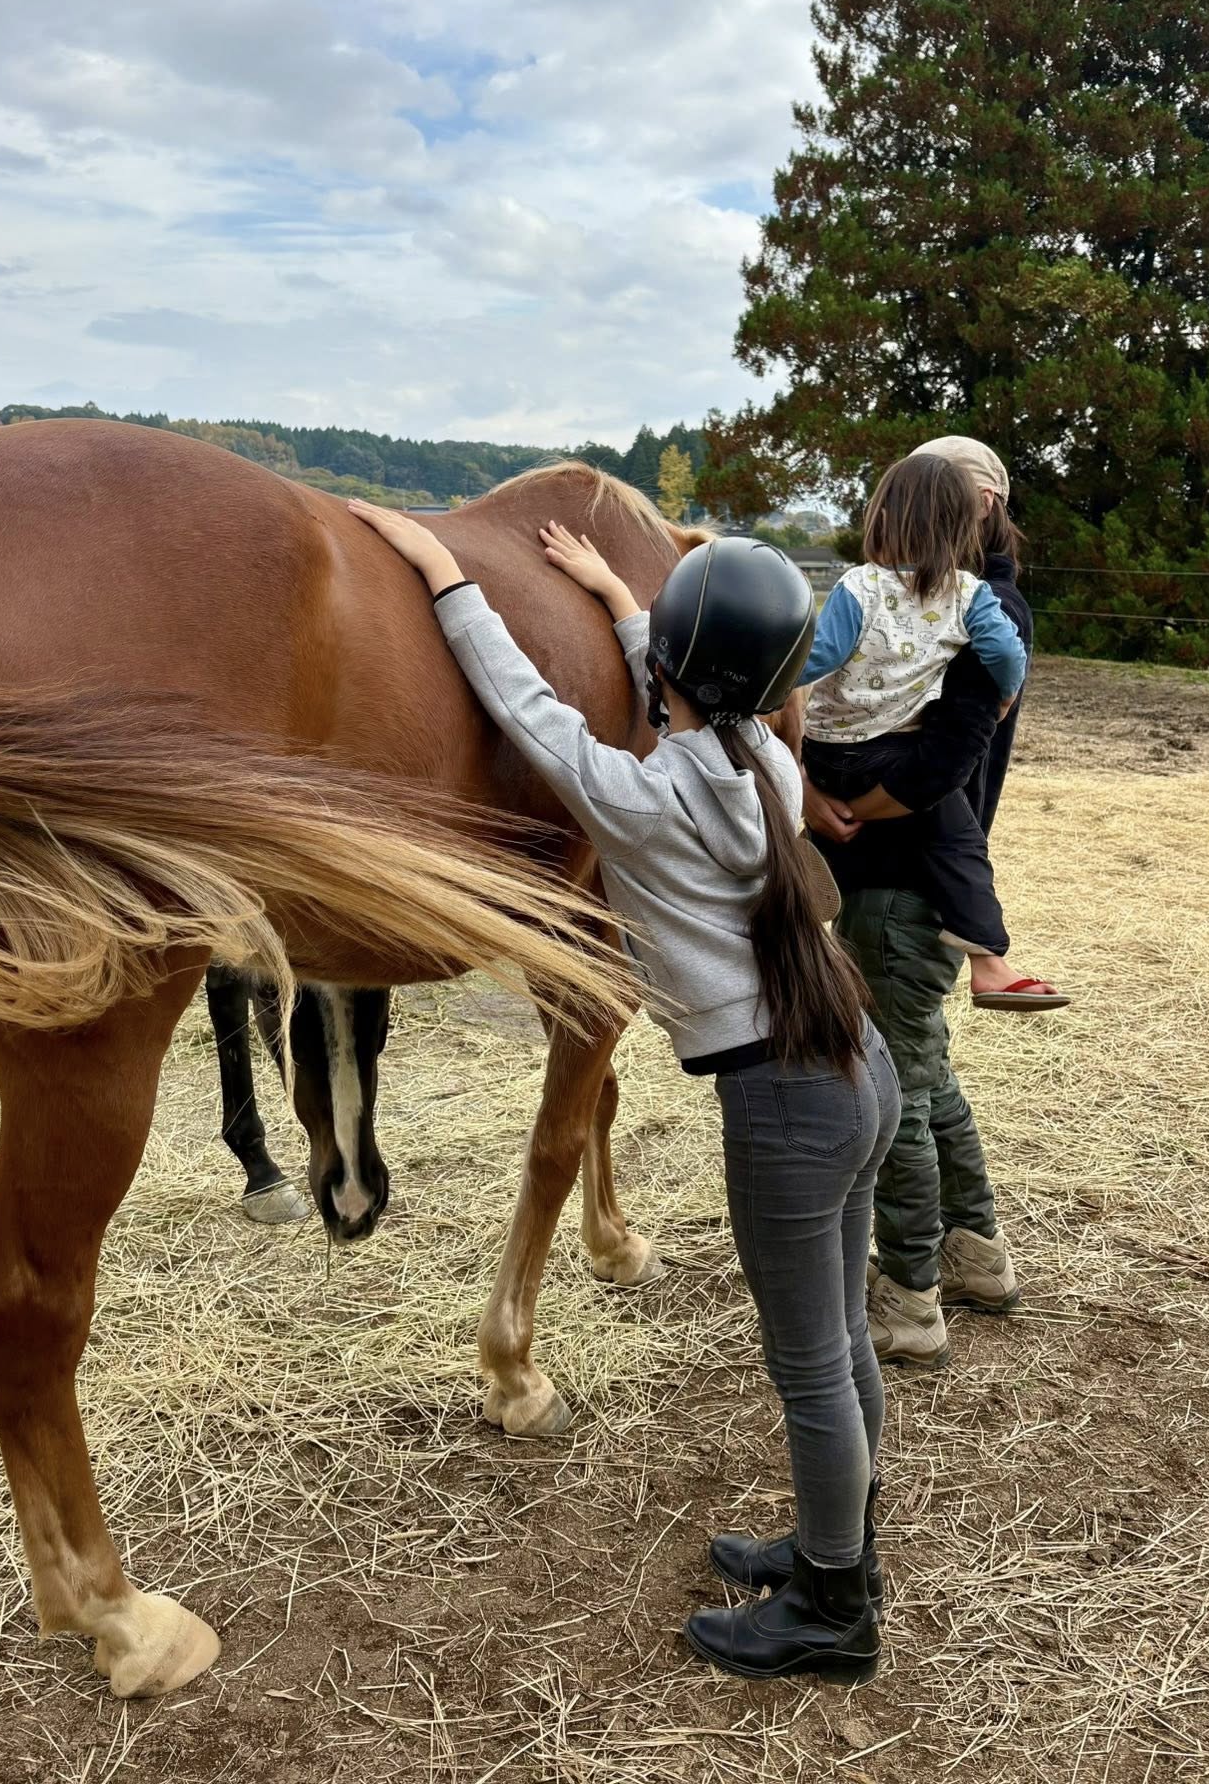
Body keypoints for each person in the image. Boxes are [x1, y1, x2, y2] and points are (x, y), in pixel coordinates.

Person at [347, 497, 900, 1685]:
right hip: (860, 1065)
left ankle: (835, 1608)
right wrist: (615, 591)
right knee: (841, 1338)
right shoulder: (768, 759)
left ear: (672, 675)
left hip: (785, 1104)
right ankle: (839, 1543)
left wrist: (446, 574)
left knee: (809, 1361)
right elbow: (694, 680)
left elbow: (527, 708)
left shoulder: (642, 798)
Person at [805, 435, 1036, 1369]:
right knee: (928, 1076)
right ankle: (975, 1255)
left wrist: (831, 803)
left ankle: (909, 1296)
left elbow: (943, 761)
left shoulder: (979, 605)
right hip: (914, 880)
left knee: (893, 1091)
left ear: (989, 504)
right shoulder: (970, 604)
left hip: (898, 882)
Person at [799, 452, 1066, 1014]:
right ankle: (989, 961)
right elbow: (1004, 654)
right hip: (890, 757)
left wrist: (762, 688)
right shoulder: (970, 595)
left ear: (880, 518)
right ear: (964, 526)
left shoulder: (858, 586)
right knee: (958, 838)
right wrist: (1007, 691)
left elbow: (818, 656)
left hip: (826, 753)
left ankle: (793, 890)